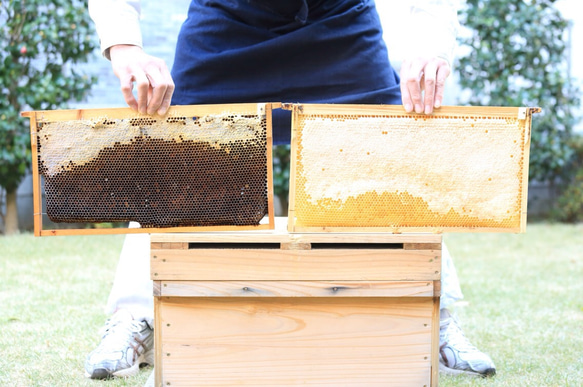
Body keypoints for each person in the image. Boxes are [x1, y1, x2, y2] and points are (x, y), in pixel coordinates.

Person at [86, 0, 497, 381]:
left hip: (339, 22)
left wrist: (431, 46)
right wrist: (124, 47)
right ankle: (134, 317)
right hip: (226, 20)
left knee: (388, 153)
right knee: (176, 150)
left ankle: (434, 316)